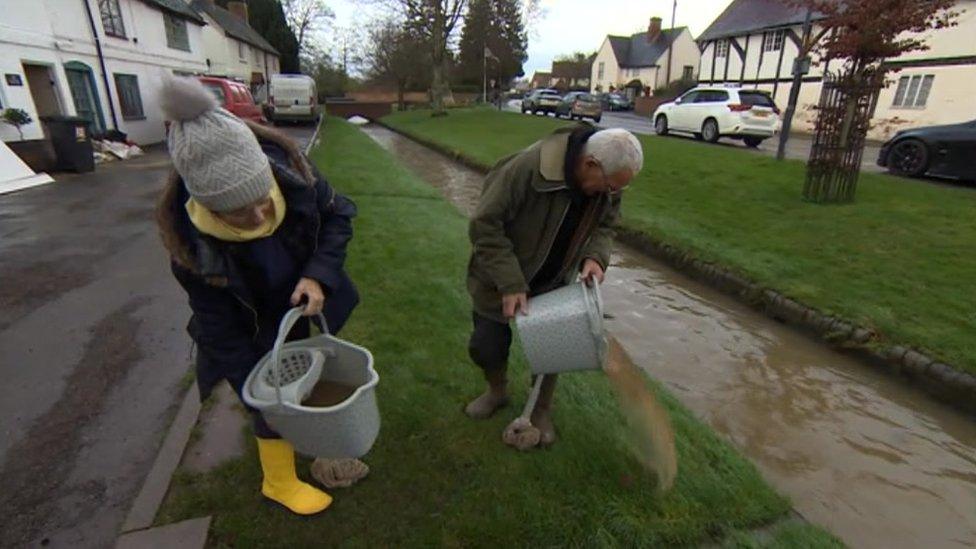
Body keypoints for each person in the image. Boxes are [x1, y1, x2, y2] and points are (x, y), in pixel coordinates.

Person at [156, 76, 365, 515]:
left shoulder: (295, 178)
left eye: (261, 200)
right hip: (245, 321)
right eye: (236, 210)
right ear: (207, 206)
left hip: (297, 295)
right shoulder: (190, 250)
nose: (257, 217)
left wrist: (318, 275)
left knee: (309, 371)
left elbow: (338, 217)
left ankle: (313, 438)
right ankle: (279, 482)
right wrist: (256, 390)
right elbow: (219, 330)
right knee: (269, 400)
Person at [464, 124, 644, 447]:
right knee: (485, 345)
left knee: (552, 349)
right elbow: (484, 226)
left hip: (554, 277)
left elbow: (606, 225)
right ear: (589, 165)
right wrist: (510, 283)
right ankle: (496, 391)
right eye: (609, 187)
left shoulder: (608, 186)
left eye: (617, 190)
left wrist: (595, 257)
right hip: (498, 276)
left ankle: (540, 411)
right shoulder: (527, 168)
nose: (611, 194)